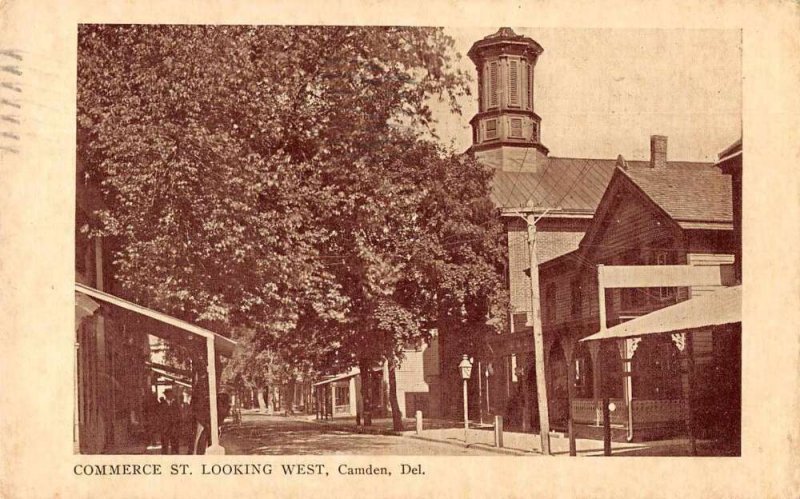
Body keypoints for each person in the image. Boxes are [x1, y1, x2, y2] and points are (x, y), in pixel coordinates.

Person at [160, 389, 181, 454]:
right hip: (165, 428)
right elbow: (159, 416)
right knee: (164, 445)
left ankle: (175, 457)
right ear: (166, 395)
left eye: (171, 394)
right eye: (168, 394)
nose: (170, 396)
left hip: (174, 427)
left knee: (175, 444)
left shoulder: (175, 404)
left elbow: (179, 415)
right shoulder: (162, 404)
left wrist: (177, 424)